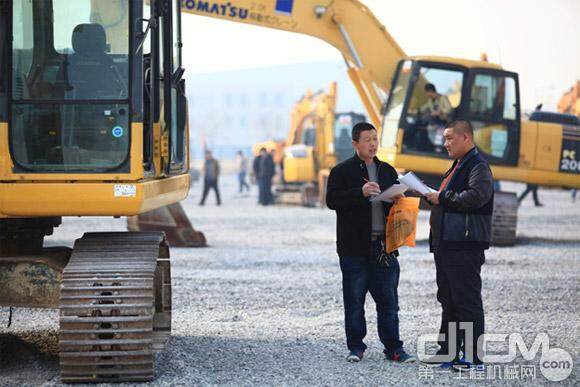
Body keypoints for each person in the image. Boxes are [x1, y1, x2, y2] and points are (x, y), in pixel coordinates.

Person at [326, 122, 415, 364]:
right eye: (367, 139)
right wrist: (360, 192)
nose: (373, 144)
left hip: (384, 248)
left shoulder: (387, 170)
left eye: (375, 139)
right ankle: (356, 347)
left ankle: (394, 348)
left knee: (389, 302)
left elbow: (392, 202)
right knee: (354, 302)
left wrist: (397, 199)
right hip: (353, 248)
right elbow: (332, 200)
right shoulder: (341, 171)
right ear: (355, 144)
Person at [424, 120, 493, 371]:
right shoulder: (458, 165)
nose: (446, 144)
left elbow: (476, 197)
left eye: (450, 138)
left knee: (467, 300)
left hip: (464, 245)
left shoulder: (478, 166)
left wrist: (441, 197)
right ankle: (448, 353)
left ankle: (474, 358)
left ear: (466, 138)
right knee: (449, 300)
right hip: (446, 244)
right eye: (445, 138)